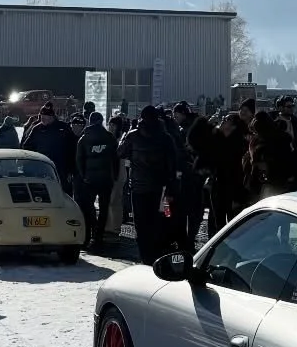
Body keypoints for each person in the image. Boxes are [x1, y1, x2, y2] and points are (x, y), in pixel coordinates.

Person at [120, 104, 184, 264]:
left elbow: (119, 152)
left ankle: (144, 256)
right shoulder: (165, 137)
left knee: (141, 224)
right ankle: (159, 252)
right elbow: (174, 164)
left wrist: (128, 130)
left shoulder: (133, 135)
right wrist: (172, 187)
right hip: (160, 188)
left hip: (138, 187)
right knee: (161, 219)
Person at [172, 102, 215, 257]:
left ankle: (187, 242)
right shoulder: (198, 126)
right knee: (197, 212)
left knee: (186, 210)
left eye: (176, 115)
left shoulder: (186, 130)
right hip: (199, 175)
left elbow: (183, 152)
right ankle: (191, 240)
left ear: (183, 114)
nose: (175, 118)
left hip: (189, 175)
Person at [74, 108, 119, 249]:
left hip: (90, 179)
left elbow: (79, 160)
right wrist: (115, 176)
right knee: (104, 208)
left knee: (89, 207)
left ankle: (88, 235)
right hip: (106, 179)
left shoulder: (84, 138)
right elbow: (115, 159)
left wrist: (84, 176)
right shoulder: (110, 137)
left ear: (90, 121)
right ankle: (98, 236)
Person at [206, 111, 249, 232]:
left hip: (233, 188)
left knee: (233, 223)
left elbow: (240, 170)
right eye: (224, 118)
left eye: (227, 119)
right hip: (217, 185)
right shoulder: (216, 140)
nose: (223, 120)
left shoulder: (240, 143)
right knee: (216, 221)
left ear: (234, 125)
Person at [246, 108, 297, 201]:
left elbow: (285, 161)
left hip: (271, 183)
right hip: (269, 183)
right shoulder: (258, 140)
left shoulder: (273, 141)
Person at [22, 100, 77, 191]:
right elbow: (27, 145)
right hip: (43, 167)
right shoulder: (37, 129)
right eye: (42, 115)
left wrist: (71, 169)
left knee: (63, 191)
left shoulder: (63, 128)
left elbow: (72, 148)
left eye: (45, 116)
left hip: (61, 168)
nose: (43, 118)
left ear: (52, 117)